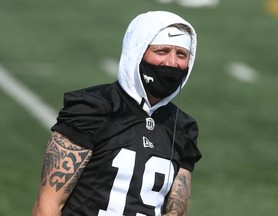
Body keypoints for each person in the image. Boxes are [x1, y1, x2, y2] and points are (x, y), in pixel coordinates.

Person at [33, 11, 202, 216]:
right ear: (138, 51)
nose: (172, 63)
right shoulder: (93, 108)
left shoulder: (182, 127)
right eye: (162, 51)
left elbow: (177, 211)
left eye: (181, 55)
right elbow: (47, 206)